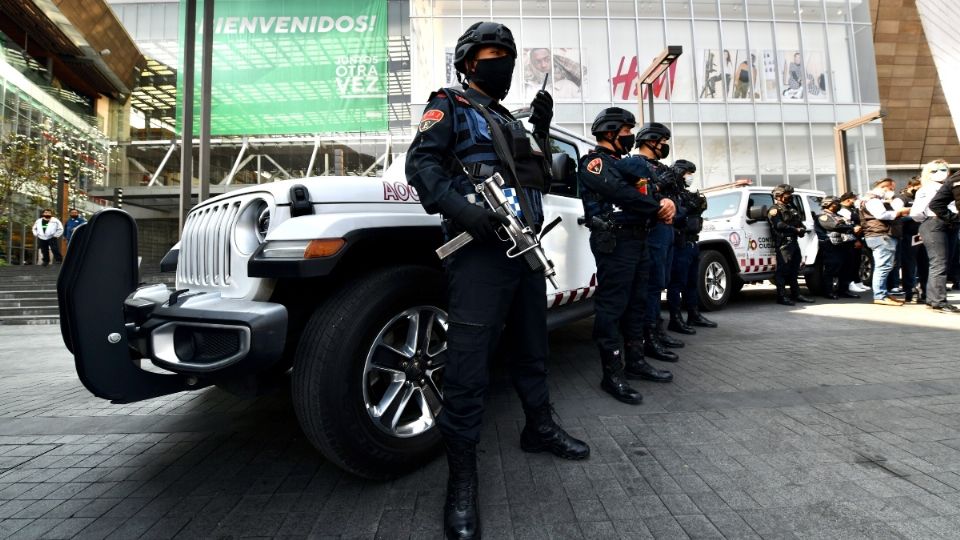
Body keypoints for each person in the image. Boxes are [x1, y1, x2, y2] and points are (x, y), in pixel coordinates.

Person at [404, 21, 589, 540]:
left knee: (533, 347)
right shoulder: (450, 105)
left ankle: (539, 427)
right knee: (468, 363)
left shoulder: (509, 118)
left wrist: (545, 131)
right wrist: (463, 211)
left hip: (525, 249)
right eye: (494, 53)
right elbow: (421, 164)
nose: (504, 61)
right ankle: (461, 477)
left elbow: (539, 179)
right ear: (468, 62)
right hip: (481, 251)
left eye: (509, 54)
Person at [578, 107, 674, 406]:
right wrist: (657, 207)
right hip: (615, 242)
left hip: (639, 239)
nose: (631, 137)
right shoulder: (594, 162)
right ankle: (612, 374)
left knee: (638, 303)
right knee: (612, 308)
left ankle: (635, 361)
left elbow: (652, 191)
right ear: (609, 132)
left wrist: (666, 201)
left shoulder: (628, 164)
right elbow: (621, 193)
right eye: (626, 131)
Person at [617, 123, 683, 362]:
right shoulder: (638, 164)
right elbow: (641, 197)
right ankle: (649, 334)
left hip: (667, 229)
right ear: (651, 140)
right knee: (652, 284)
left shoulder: (660, 167)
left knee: (660, 282)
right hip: (653, 229)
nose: (665, 146)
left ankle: (657, 329)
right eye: (662, 142)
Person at [666, 160, 717, 331]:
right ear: (680, 173)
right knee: (676, 283)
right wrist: (687, 209)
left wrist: (698, 207)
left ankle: (693, 315)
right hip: (679, 243)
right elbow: (672, 217)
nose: (690, 177)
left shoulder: (685, 194)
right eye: (688, 173)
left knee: (692, 282)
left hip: (693, 242)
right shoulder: (671, 194)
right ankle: (675, 319)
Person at [912, 162, 959, 312]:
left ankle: (933, 299)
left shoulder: (947, 185)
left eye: (944, 169)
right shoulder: (926, 189)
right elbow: (916, 213)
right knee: (939, 263)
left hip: (945, 225)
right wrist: (948, 217)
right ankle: (938, 301)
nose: (941, 172)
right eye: (936, 170)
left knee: (942, 263)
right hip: (936, 223)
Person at [861, 178, 910, 306]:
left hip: (879, 235)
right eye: (892, 188)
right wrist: (899, 212)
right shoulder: (873, 200)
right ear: (885, 187)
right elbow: (881, 215)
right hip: (881, 235)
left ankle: (883, 293)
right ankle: (880, 296)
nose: (892, 191)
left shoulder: (871, 199)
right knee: (883, 267)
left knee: (884, 266)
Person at [767, 184, 815, 305]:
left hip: (794, 242)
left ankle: (796, 294)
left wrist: (802, 229)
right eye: (787, 194)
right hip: (783, 244)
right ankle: (781, 296)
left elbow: (798, 222)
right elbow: (778, 225)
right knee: (782, 271)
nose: (790, 196)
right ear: (779, 196)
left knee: (794, 270)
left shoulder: (792, 208)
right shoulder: (774, 210)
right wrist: (795, 229)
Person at [814, 196, 859, 299]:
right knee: (832, 268)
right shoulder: (823, 216)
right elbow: (834, 226)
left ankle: (843, 290)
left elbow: (848, 223)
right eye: (835, 203)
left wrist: (851, 227)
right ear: (828, 205)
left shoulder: (838, 215)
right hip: (831, 245)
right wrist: (852, 228)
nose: (838, 205)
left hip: (844, 244)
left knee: (846, 268)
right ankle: (828, 291)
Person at [837, 192, 870, 293]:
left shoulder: (851, 209)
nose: (855, 201)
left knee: (857, 262)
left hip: (858, 238)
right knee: (850, 263)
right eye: (854, 199)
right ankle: (850, 283)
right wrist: (856, 240)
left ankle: (857, 281)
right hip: (851, 240)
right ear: (848, 200)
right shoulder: (842, 210)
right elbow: (848, 226)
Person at [897, 177, 922, 302]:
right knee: (909, 264)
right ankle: (909, 290)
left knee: (924, 264)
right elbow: (896, 217)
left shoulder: (921, 198)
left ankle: (923, 290)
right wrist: (913, 215)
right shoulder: (902, 199)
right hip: (909, 235)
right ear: (911, 186)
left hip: (923, 234)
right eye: (918, 187)